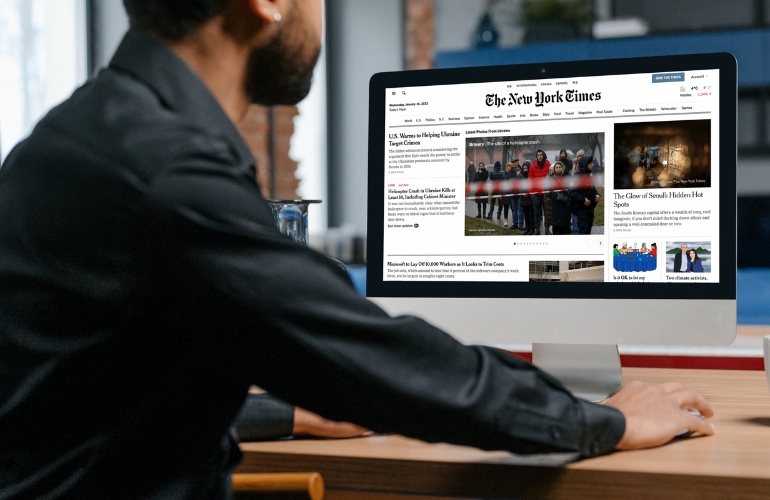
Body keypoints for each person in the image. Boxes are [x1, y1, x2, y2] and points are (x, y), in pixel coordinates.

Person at [0, 2, 715, 497]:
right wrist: (609, 420)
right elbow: (384, 364)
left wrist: (291, 411)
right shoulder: (166, 174)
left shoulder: (75, 139)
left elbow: (88, 399)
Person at [569, 156, 601, 235]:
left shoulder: (590, 177)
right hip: (581, 211)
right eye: (591, 163)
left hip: (590, 210)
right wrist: (583, 200)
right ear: (586, 164)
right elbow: (571, 192)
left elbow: (593, 190)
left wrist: (597, 195)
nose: (593, 165)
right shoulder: (577, 177)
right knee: (583, 233)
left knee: (588, 232)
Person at [528, 150, 550, 235]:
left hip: (546, 193)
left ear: (544, 155)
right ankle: (537, 229)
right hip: (536, 194)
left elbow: (551, 179)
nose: (539, 156)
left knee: (547, 212)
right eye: (538, 155)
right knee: (536, 213)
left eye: (541, 155)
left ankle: (547, 229)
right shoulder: (533, 166)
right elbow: (530, 180)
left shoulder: (549, 165)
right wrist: (531, 193)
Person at [547, 161, 572, 235]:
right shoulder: (551, 179)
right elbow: (548, 192)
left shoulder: (566, 178)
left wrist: (562, 196)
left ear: (562, 168)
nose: (558, 169)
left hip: (564, 204)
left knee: (564, 225)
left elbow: (570, 191)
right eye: (556, 167)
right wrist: (555, 195)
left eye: (559, 167)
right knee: (555, 223)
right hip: (555, 205)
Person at [519, 162, 534, 235]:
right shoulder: (521, 177)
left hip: (530, 198)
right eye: (524, 168)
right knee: (526, 215)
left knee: (531, 215)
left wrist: (528, 192)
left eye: (526, 168)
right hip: (523, 199)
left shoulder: (531, 177)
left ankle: (532, 228)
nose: (525, 170)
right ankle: (527, 228)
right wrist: (522, 193)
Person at [508, 161, 524, 229]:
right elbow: (509, 180)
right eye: (513, 162)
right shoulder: (510, 172)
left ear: (518, 163)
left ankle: (521, 224)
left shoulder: (521, 171)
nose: (514, 163)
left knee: (520, 209)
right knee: (514, 209)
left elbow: (522, 180)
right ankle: (515, 224)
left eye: (516, 162)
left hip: (519, 192)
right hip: (512, 192)